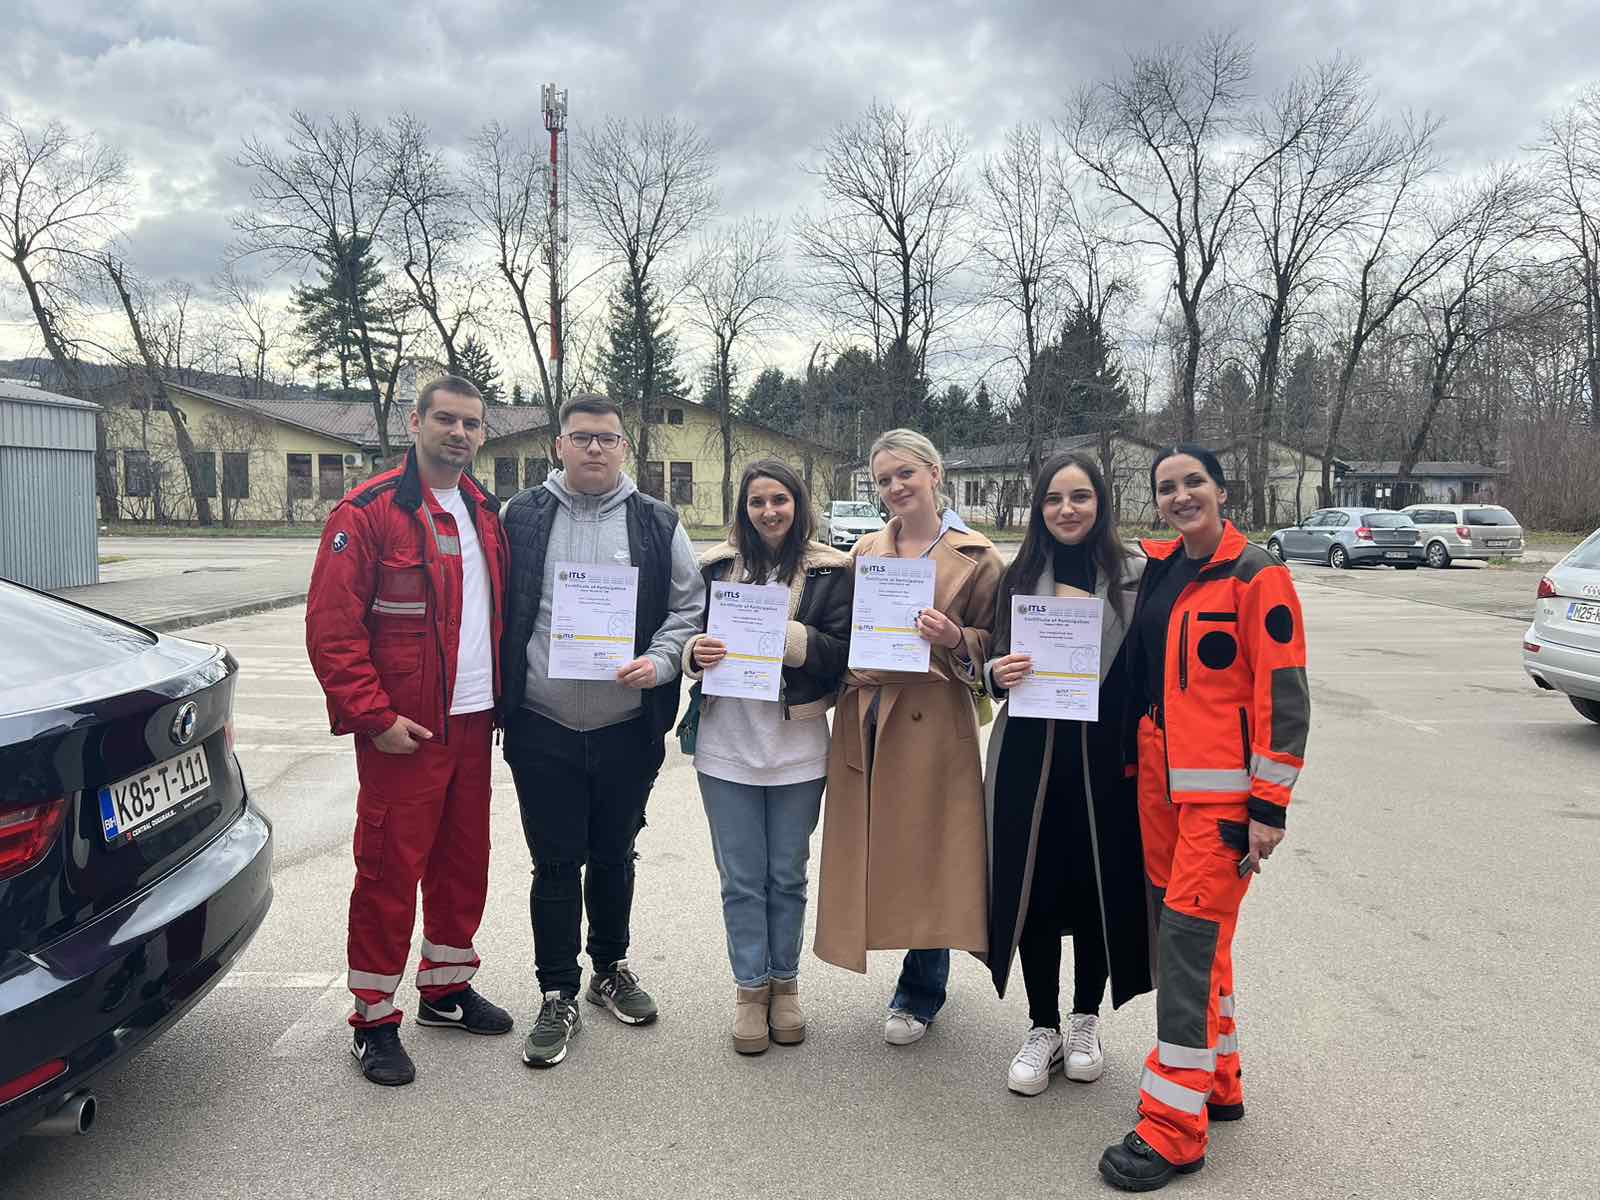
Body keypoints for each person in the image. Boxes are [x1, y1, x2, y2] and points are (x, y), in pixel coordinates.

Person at [1097, 446, 1310, 1192]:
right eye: (1166, 487)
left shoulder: (1256, 575)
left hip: (1222, 806)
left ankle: (1172, 1130)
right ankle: (1218, 1081)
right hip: (1161, 787)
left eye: (1194, 483)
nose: (1181, 495)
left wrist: (1269, 806)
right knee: (1201, 945)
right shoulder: (1162, 567)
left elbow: (1284, 695)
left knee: (1185, 950)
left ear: (1222, 490)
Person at [306, 375, 514, 1088]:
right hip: (407, 731)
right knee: (390, 871)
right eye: (446, 420)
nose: (460, 434)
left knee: (463, 863)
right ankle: (372, 1018)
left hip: (474, 720)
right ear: (415, 422)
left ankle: (446, 989)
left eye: (472, 424)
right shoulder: (365, 513)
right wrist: (373, 716)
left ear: (484, 434)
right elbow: (332, 630)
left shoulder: (486, 513)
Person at [498, 393, 705, 1070]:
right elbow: (495, 607)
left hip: (625, 727)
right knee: (555, 863)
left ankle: (608, 968)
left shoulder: (655, 521)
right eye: (581, 437)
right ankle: (556, 989)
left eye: (607, 438)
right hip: (542, 722)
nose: (594, 448)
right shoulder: (521, 517)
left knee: (614, 855)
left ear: (624, 448)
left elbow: (688, 608)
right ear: (558, 444)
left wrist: (663, 660)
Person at [813, 429, 1004, 1045]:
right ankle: (902, 964)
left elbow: (998, 654)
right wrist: (844, 666)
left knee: (933, 852)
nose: (895, 487)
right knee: (880, 847)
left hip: (933, 721)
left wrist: (954, 640)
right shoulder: (867, 549)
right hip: (870, 713)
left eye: (905, 475)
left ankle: (922, 987)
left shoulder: (980, 556)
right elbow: (845, 631)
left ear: (935, 474)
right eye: (883, 479)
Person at [983, 452, 1151, 1097]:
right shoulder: (1019, 573)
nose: (1067, 510)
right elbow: (993, 658)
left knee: (1096, 888)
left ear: (1100, 502)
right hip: (1032, 753)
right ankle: (1042, 1024)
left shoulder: (1135, 575)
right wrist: (996, 672)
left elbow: (1146, 670)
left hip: (1106, 757)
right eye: (1053, 499)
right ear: (1039, 508)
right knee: (1037, 889)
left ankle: (1085, 1019)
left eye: (1079, 497)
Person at [682, 460, 852, 1054]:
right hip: (725, 747)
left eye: (779, 499)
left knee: (787, 875)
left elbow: (844, 653)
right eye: (757, 502)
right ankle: (749, 990)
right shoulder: (714, 569)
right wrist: (692, 654)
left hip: (798, 748)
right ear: (743, 509)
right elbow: (682, 633)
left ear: (797, 503)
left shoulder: (833, 570)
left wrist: (789, 639)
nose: (769, 511)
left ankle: (787, 986)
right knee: (741, 880)